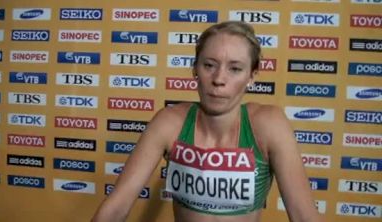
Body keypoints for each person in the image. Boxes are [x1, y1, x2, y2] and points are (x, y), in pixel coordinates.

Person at [92, 21, 322, 222]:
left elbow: (304, 216)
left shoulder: (268, 125)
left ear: (252, 76)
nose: (219, 79)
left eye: (235, 69)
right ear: (195, 69)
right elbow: (117, 207)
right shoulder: (169, 122)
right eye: (209, 65)